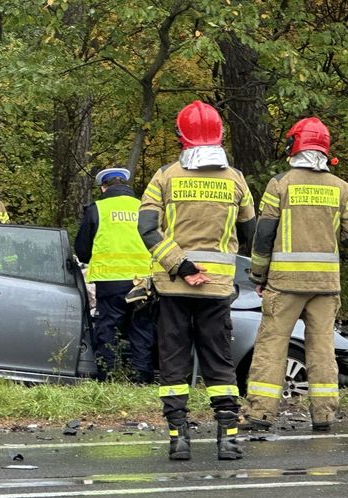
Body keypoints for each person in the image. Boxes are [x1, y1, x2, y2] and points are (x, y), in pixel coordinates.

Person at [138, 100, 256, 461]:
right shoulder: (236, 180)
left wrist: (182, 265)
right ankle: (228, 440)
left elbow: (146, 228)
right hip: (218, 289)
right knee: (219, 362)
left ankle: (179, 440)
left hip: (173, 287)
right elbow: (250, 232)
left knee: (173, 363)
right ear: (219, 136)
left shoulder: (165, 176)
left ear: (181, 137)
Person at [243, 117, 348, 432]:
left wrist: (258, 276)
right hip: (325, 286)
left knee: (271, 345)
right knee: (322, 348)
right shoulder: (341, 188)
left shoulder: (280, 184)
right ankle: (325, 415)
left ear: (295, 144)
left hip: (285, 284)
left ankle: (260, 415)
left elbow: (264, 236)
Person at [74, 167, 155, 383]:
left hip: (110, 282)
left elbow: (82, 249)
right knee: (141, 330)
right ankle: (142, 379)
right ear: (126, 186)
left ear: (104, 187)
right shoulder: (144, 208)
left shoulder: (97, 209)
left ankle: (108, 378)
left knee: (107, 330)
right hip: (143, 282)